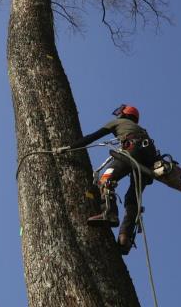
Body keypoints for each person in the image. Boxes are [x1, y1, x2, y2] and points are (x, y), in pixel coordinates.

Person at [55, 104, 158, 254]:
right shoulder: (142, 131)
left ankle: (109, 212)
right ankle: (125, 238)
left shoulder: (117, 123)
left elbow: (92, 137)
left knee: (105, 179)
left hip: (132, 152)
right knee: (132, 199)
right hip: (148, 165)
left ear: (124, 114)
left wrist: (69, 147)